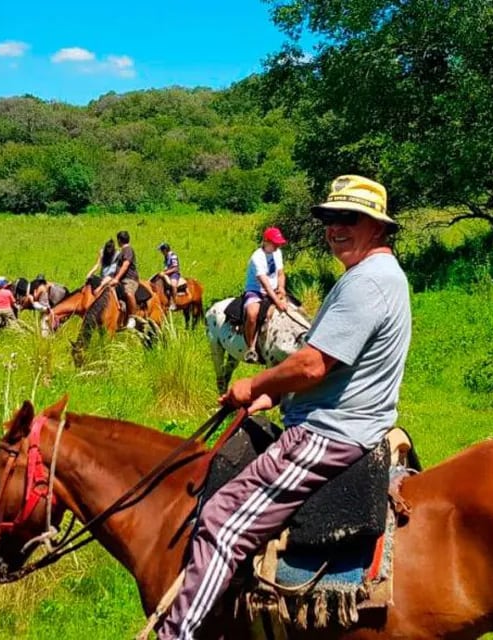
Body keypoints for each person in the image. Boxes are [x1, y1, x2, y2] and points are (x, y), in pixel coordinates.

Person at [156, 175, 410, 640]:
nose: (335, 228)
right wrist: (276, 393)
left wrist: (253, 382)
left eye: (348, 219)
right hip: (337, 412)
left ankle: (176, 634)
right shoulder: (373, 275)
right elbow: (331, 363)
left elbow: (313, 364)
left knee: (221, 522)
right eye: (330, 219)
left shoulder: (367, 283)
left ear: (377, 226)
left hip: (331, 431)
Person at [242, 226, 288, 364]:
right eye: (275, 243)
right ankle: (251, 347)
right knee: (252, 313)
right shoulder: (257, 257)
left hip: (274, 289)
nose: (277, 245)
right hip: (256, 290)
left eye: (279, 243)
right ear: (266, 241)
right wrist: (278, 301)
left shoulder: (277, 253)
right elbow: (264, 284)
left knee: (294, 307)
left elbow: (280, 273)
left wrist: (281, 288)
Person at [107, 230, 140, 325]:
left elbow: (126, 265)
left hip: (129, 279)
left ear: (119, 240)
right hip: (121, 279)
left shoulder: (128, 250)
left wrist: (116, 278)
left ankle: (132, 317)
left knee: (128, 292)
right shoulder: (121, 251)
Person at [157, 242, 181, 311]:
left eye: (161, 250)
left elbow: (175, 268)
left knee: (173, 285)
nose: (161, 252)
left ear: (165, 250)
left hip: (174, 274)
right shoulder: (166, 256)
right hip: (167, 273)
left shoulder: (173, 256)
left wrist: (165, 273)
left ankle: (174, 302)